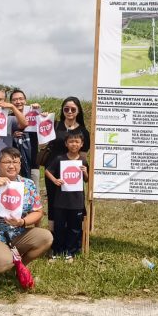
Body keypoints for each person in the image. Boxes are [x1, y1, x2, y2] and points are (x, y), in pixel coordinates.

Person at [0, 146, 53, 294]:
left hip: (16, 234)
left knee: (46, 237)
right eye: (7, 161)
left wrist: (23, 222)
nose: (12, 165)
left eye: (15, 162)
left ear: (20, 165)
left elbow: (38, 211)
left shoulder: (28, 184)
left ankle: (17, 268)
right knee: (2, 262)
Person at [43, 96, 91, 229]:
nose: (69, 111)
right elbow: (42, 139)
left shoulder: (83, 132)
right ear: (62, 110)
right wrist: (43, 118)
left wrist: (83, 172)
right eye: (66, 109)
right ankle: (54, 234)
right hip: (53, 169)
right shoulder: (54, 125)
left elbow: (84, 155)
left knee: (75, 200)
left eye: (73, 109)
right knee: (53, 200)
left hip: (73, 171)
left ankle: (78, 232)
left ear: (78, 111)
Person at [45, 131, 89, 260]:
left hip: (77, 201)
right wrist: (55, 180)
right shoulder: (60, 158)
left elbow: (86, 180)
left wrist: (85, 172)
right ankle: (58, 251)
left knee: (74, 227)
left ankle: (71, 252)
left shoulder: (83, 160)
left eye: (77, 142)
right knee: (59, 226)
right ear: (66, 143)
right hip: (61, 200)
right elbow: (47, 171)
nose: (74, 144)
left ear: (81, 144)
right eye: (71, 141)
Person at [10, 88, 40, 181]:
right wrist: (12, 135)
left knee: (34, 192)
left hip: (33, 163)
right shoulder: (7, 118)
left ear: (25, 100)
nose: (18, 102)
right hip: (13, 164)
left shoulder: (35, 115)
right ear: (11, 102)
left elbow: (45, 131)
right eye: (15, 100)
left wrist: (42, 114)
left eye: (21, 99)